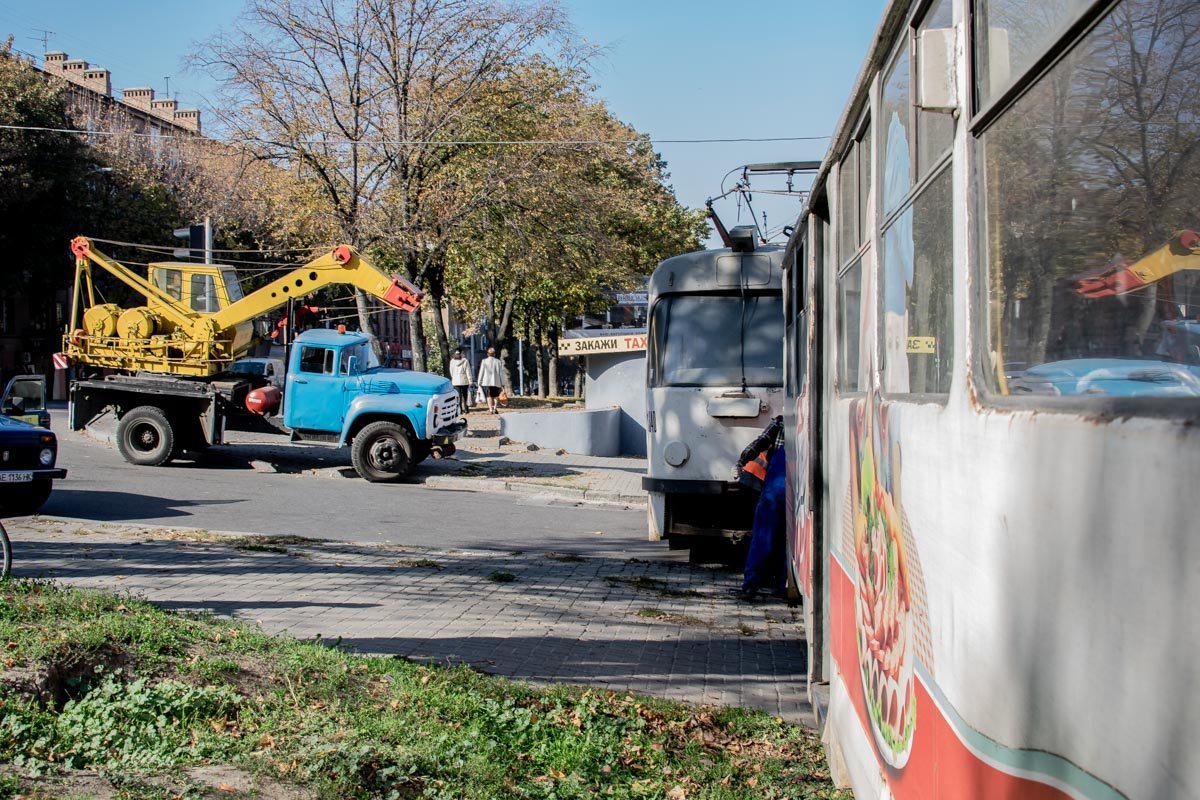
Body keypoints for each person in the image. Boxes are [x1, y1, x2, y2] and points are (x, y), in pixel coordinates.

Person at [737, 417, 787, 601]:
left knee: (763, 535)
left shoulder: (782, 422)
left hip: (776, 486)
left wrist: (742, 460)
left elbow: (759, 443)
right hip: (800, 486)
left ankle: (751, 585)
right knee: (790, 538)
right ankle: (783, 585)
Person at [476, 346, 505, 414]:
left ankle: (490, 409)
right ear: (494, 354)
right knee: (495, 396)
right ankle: (495, 407)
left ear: (487, 354)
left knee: (489, 396)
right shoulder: (498, 361)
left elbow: (481, 372)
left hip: (486, 382)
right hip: (496, 382)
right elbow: (501, 373)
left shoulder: (484, 361)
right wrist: (502, 383)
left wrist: (479, 381)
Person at [448, 347, 473, 412]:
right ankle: (466, 408)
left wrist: (453, 377)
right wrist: (470, 380)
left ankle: (459, 409)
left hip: (455, 381)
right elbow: (468, 371)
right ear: (461, 353)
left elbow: (451, 371)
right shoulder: (465, 361)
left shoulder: (452, 361)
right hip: (464, 380)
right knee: (465, 395)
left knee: (458, 396)